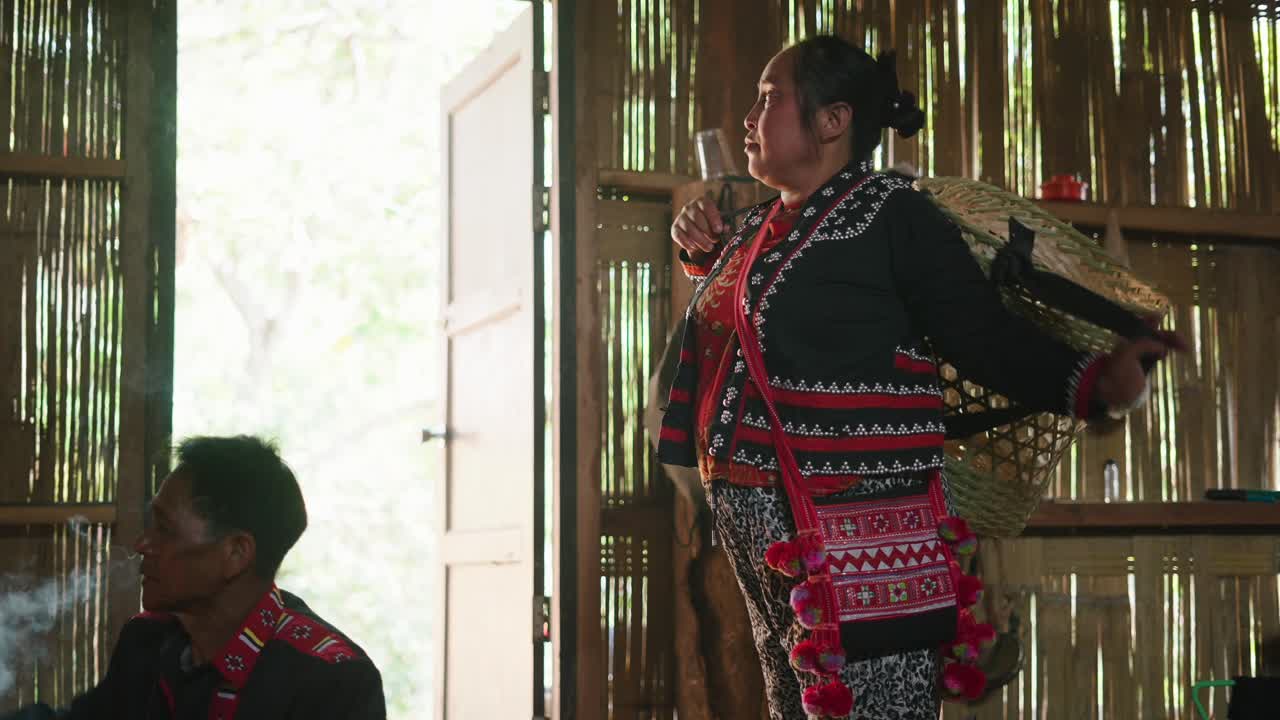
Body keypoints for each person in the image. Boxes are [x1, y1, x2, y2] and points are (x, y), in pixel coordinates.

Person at [659, 35, 1184, 719]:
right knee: (796, 705)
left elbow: (979, 333)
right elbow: (750, 326)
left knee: (875, 705)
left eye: (769, 98)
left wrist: (1091, 382)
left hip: (859, 516)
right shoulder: (761, 226)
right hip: (758, 518)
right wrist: (700, 249)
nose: (750, 118)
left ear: (831, 120)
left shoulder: (894, 214)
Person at [4, 435, 385, 720]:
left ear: (236, 553)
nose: (142, 544)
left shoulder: (332, 681)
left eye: (165, 529)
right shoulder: (147, 643)